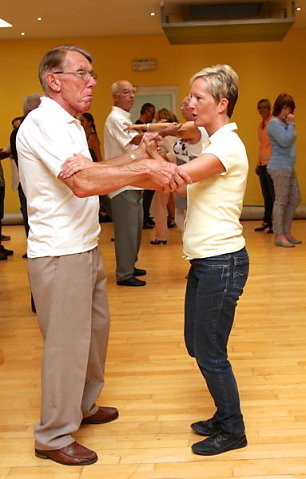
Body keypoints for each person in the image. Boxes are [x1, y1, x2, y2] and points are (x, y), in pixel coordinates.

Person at [16, 44, 190, 467]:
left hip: (85, 245)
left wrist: (137, 154)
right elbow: (81, 182)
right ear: (54, 80)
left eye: (92, 74)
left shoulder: (70, 124)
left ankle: (84, 405)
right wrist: (145, 171)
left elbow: (100, 170)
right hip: (60, 252)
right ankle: (53, 435)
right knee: (66, 346)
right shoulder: (43, 122)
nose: (92, 82)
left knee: (94, 335)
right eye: (83, 74)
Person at [147, 64, 249, 456]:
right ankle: (224, 415)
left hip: (222, 263)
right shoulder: (214, 137)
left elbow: (175, 178)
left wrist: (111, 171)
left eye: (198, 97)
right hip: (206, 262)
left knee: (210, 351)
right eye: (189, 96)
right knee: (197, 344)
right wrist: (161, 137)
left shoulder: (227, 147)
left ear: (222, 104)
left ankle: (233, 428)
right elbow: (190, 130)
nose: (190, 103)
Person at [104, 80, 147, 286]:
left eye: (133, 91)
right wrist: (157, 132)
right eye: (126, 92)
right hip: (123, 184)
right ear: (115, 97)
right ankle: (124, 273)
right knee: (126, 231)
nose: (131, 96)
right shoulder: (115, 118)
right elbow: (132, 144)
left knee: (136, 229)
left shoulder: (124, 118)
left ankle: (130, 264)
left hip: (134, 181)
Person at [267, 94, 301, 247]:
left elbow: (290, 137)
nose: (287, 111)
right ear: (278, 108)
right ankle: (279, 235)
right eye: (284, 107)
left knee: (295, 198)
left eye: (289, 108)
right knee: (281, 202)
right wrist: (292, 125)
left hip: (288, 167)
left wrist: (290, 126)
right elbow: (286, 141)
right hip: (279, 167)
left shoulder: (284, 123)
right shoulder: (274, 123)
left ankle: (286, 231)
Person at [80, 112, 112, 221]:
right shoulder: (82, 137)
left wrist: (101, 172)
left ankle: (117, 217)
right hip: (87, 172)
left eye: (83, 121)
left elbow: (98, 156)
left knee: (102, 197)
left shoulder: (92, 138)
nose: (81, 123)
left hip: (94, 172)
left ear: (89, 123)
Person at [254, 99, 274, 233]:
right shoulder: (261, 124)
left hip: (272, 163)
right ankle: (266, 221)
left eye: (265, 107)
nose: (263, 110)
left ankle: (275, 223)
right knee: (266, 195)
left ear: (270, 108)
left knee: (273, 195)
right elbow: (263, 145)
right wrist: (258, 163)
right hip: (262, 163)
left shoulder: (273, 123)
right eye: (260, 108)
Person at [135, 103, 156, 229]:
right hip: (143, 164)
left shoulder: (145, 127)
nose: (152, 117)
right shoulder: (138, 126)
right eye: (152, 113)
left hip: (148, 162)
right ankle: (144, 218)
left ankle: (146, 217)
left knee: (149, 193)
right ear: (146, 112)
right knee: (147, 194)